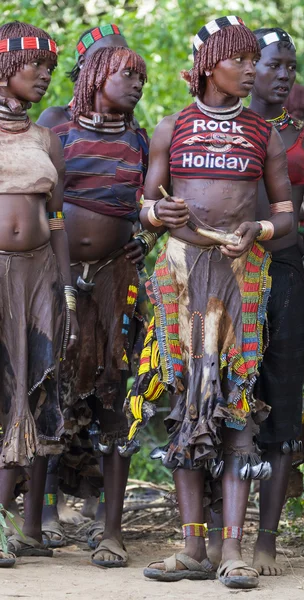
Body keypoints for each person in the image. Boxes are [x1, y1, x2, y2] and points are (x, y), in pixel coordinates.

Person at [125, 15, 293, 589]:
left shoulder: (262, 133)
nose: (252, 69)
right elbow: (144, 207)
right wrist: (158, 214)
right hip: (181, 274)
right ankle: (192, 547)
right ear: (208, 64)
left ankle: (233, 551)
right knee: (189, 405)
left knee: (237, 404)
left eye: (255, 60)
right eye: (241, 59)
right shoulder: (172, 127)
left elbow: (288, 214)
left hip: (241, 274)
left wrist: (260, 232)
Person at [38, 25, 146, 550]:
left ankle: (111, 529)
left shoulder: (136, 133)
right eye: (110, 63)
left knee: (111, 386)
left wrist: (142, 236)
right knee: (52, 384)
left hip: (112, 277)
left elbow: (149, 197)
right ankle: (41, 515)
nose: (125, 74)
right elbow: (40, 199)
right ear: (87, 70)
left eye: (130, 66)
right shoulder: (52, 125)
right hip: (57, 277)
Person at [245, 27, 304, 577]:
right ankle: (209, 537)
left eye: (290, 66)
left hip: (288, 275)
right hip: (226, 274)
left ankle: (266, 542)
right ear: (247, 66)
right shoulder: (213, 128)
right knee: (221, 396)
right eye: (275, 64)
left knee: (281, 397)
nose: (284, 74)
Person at [0, 21, 78, 567]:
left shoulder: (47, 139)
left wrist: (67, 288)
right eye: (36, 66)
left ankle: (1, 521)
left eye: (51, 67)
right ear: (6, 68)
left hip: (39, 275)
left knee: (24, 390)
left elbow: (56, 219)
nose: (46, 76)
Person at [37, 24, 127, 129]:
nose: (119, 64)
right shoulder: (55, 119)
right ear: (82, 62)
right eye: (107, 56)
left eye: (125, 56)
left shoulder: (128, 124)